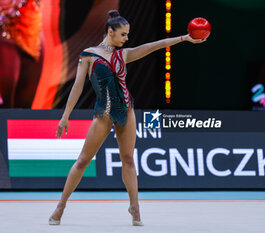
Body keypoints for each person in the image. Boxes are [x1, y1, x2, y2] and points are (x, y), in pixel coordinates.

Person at [48, 10, 205, 226]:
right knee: (83, 160)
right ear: (110, 32)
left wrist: (184, 38)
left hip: (127, 110)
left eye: (128, 34)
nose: (127, 38)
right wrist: (65, 117)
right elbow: (77, 87)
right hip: (103, 112)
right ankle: (61, 206)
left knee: (128, 159)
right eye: (123, 34)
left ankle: (135, 207)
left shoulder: (124, 54)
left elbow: (154, 45)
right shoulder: (89, 55)